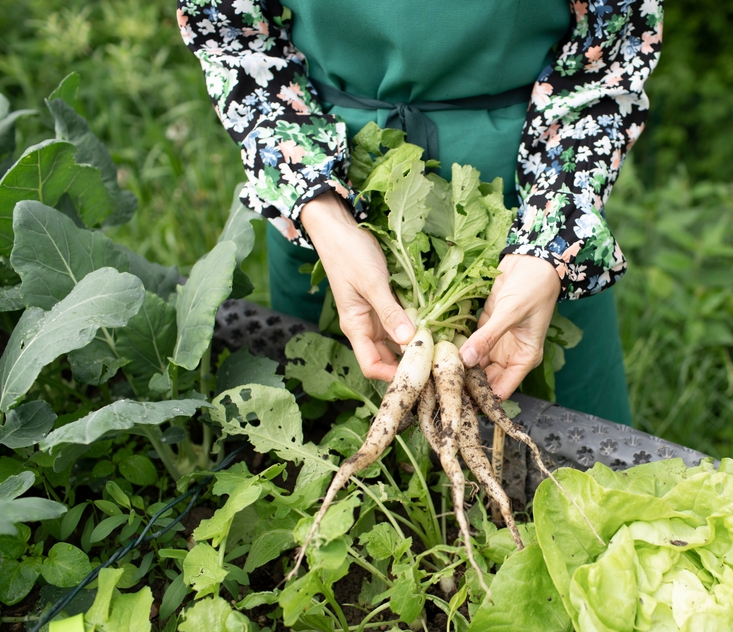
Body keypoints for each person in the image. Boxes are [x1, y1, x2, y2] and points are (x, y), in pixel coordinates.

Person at [177, 0, 663, 425]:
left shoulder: (547, 218)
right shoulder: (323, 210)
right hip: (329, 190)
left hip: (531, 187)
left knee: (573, 455)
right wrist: (319, 208)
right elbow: (231, 37)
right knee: (320, 424)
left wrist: (553, 239)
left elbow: (610, 57)